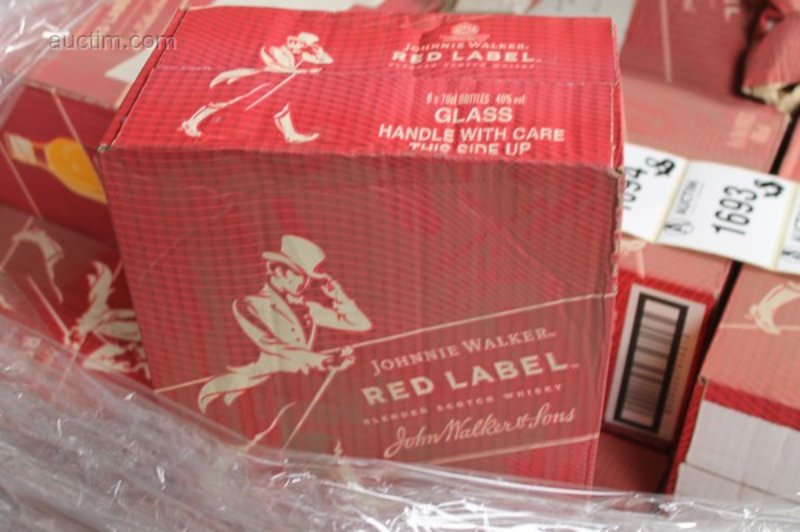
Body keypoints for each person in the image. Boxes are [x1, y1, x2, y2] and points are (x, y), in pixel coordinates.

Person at [198, 235, 371, 413]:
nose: (306, 283)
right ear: (280, 271)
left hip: (305, 389)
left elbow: (361, 325)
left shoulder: (307, 307)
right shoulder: (249, 304)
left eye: (308, 278)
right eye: (300, 275)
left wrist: (338, 296)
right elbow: (273, 347)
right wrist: (322, 360)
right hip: (264, 391)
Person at [181, 32, 333, 142]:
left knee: (282, 108)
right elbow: (275, 68)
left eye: (297, 42)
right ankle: (191, 123)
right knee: (224, 100)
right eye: (292, 40)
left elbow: (327, 61)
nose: (292, 43)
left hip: (275, 85)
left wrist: (320, 52)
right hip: (258, 79)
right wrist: (303, 71)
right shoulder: (277, 50)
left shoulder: (302, 55)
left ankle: (290, 135)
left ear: (304, 46)